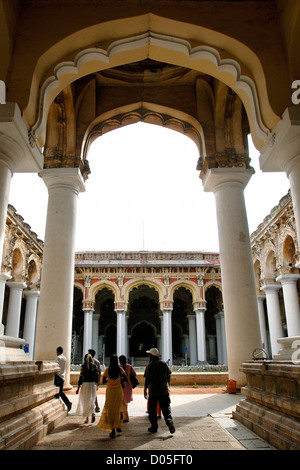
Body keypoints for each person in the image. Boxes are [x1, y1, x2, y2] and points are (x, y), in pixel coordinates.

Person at [144, 347, 175, 434]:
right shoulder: (164, 364)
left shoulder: (149, 366)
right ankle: (169, 422)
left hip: (153, 391)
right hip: (164, 391)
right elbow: (169, 375)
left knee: (152, 410)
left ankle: (154, 426)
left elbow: (147, 379)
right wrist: (166, 384)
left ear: (151, 356)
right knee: (166, 409)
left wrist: (144, 389)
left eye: (149, 355)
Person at [97, 354, 128, 438]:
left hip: (110, 391)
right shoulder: (120, 369)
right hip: (118, 390)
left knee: (110, 408)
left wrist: (110, 380)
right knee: (118, 408)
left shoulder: (107, 370)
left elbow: (103, 381)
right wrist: (119, 379)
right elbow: (126, 379)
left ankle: (113, 430)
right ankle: (118, 425)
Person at [76, 353, 99, 423]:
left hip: (85, 384)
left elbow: (81, 377)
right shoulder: (94, 366)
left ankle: (87, 418)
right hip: (92, 385)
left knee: (86, 400)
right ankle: (93, 414)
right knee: (92, 399)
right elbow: (96, 377)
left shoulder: (83, 366)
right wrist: (96, 384)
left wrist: (78, 387)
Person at [119, 355, 137, 422]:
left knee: (121, 402)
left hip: (121, 385)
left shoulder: (119, 367)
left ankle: (124, 416)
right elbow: (134, 373)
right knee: (125, 402)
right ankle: (125, 416)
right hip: (128, 385)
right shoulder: (129, 367)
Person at [54, 346, 72, 412]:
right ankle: (65, 403)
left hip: (58, 376)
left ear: (58, 351)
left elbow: (55, 366)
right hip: (62, 376)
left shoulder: (58, 358)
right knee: (59, 391)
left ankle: (67, 402)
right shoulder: (64, 358)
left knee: (58, 392)